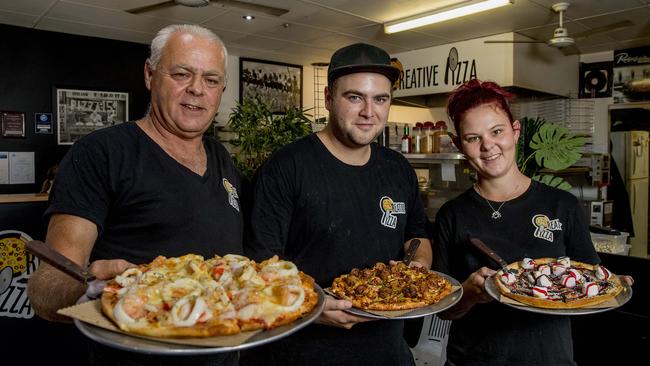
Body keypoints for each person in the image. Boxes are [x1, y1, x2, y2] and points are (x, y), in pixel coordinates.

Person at [27, 24, 244, 366]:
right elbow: (46, 287)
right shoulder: (101, 153)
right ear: (149, 74)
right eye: (182, 74)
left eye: (211, 80)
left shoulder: (222, 158)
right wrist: (84, 286)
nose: (197, 90)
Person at [241, 43, 432, 366]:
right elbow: (260, 264)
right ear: (329, 98)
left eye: (380, 99)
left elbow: (417, 236)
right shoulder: (286, 168)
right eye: (354, 97)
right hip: (306, 353)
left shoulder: (398, 168)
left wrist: (418, 269)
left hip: (389, 352)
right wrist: (312, 308)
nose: (368, 112)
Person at [432, 79, 633, 365]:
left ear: (515, 132)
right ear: (458, 144)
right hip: (474, 359)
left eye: (497, 131)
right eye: (473, 137)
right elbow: (443, 309)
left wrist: (610, 287)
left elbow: (590, 279)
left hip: (549, 359)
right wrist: (470, 293)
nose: (488, 145)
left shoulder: (562, 205)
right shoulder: (451, 215)